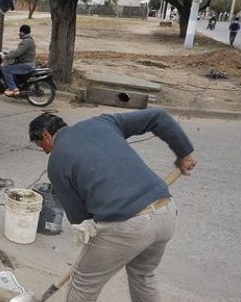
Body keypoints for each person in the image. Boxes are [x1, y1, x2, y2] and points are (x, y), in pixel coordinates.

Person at [28, 109, 197, 302]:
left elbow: (79, 217)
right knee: (142, 276)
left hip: (127, 224)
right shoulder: (103, 122)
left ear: (46, 135)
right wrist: (183, 153)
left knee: (82, 283)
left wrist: (90, 228)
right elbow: (158, 117)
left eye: (40, 145)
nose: (44, 150)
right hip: (165, 212)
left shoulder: (56, 161)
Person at [0, 25, 36, 97]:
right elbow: (18, 51)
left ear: (23, 32)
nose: (19, 33)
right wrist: (9, 53)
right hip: (28, 64)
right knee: (11, 67)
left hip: (26, 65)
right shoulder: (29, 40)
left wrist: (5, 57)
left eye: (20, 32)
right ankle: (17, 86)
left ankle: (13, 89)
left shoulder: (26, 41)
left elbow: (17, 52)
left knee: (6, 69)